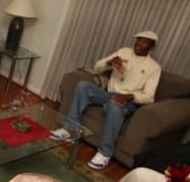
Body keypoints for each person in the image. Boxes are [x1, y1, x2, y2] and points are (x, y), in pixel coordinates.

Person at [54, 31, 161, 170]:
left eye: (144, 41)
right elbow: (97, 68)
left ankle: (105, 152)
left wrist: (130, 96)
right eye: (138, 40)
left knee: (115, 103)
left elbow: (149, 97)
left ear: (151, 47)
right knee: (83, 86)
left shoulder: (154, 67)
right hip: (108, 94)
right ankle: (71, 130)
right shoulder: (124, 52)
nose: (139, 43)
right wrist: (109, 62)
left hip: (128, 102)